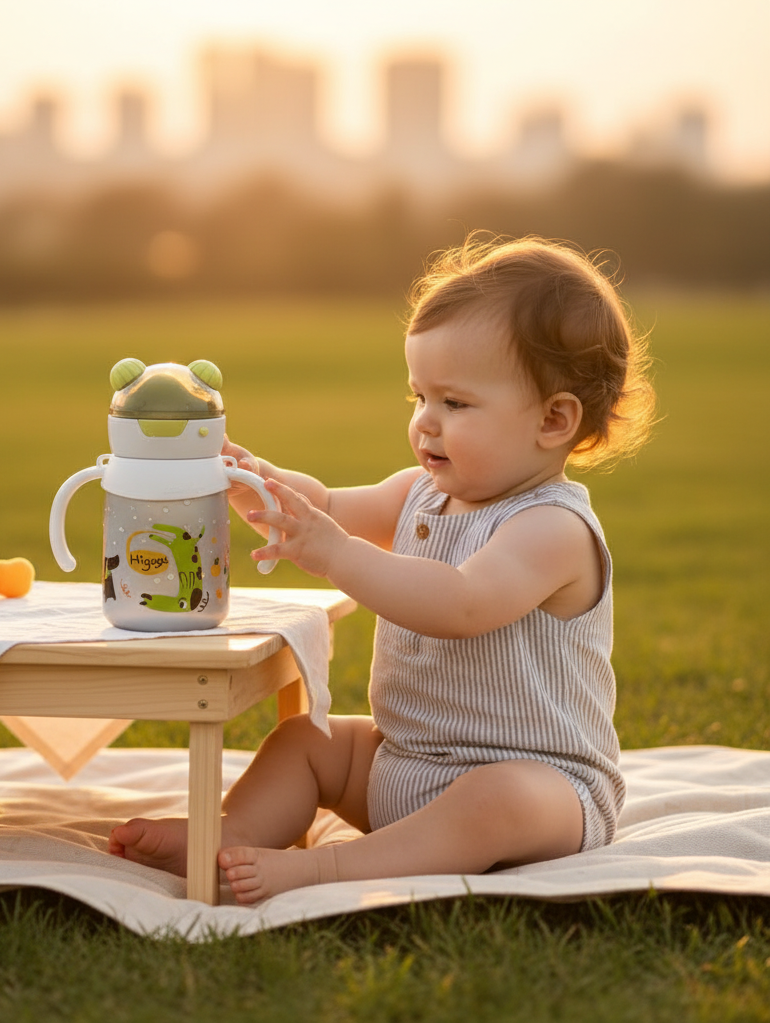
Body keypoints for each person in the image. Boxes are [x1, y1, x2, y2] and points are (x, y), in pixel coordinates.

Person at [109, 235, 656, 905]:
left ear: (553, 419)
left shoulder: (553, 529)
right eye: (418, 397)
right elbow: (334, 504)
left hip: (540, 790)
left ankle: (328, 870)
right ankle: (229, 835)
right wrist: (265, 487)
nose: (426, 423)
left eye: (454, 403)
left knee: (493, 799)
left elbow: (461, 605)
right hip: (404, 763)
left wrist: (334, 551)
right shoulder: (420, 493)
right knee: (305, 741)